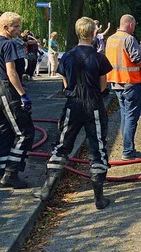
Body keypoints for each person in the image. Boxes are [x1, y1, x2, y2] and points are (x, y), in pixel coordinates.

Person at [34, 17, 113, 209]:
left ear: (77, 33)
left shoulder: (67, 56)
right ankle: (99, 198)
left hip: (73, 104)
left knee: (63, 144)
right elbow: (103, 86)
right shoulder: (99, 57)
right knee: (98, 146)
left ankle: (46, 189)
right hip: (93, 104)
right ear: (94, 34)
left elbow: (64, 82)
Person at [105, 14, 141, 160]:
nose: (134, 28)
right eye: (134, 25)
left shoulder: (111, 39)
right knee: (131, 117)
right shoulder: (129, 39)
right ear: (130, 24)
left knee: (124, 115)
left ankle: (128, 148)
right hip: (131, 83)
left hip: (116, 83)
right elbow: (138, 60)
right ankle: (128, 151)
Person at [0, 12, 35, 188]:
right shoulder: (8, 45)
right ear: (6, 27)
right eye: (16, 27)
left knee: (5, 131)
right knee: (25, 132)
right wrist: (22, 95)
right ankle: (11, 173)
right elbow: (11, 72)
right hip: (8, 90)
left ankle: (2, 169)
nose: (19, 30)